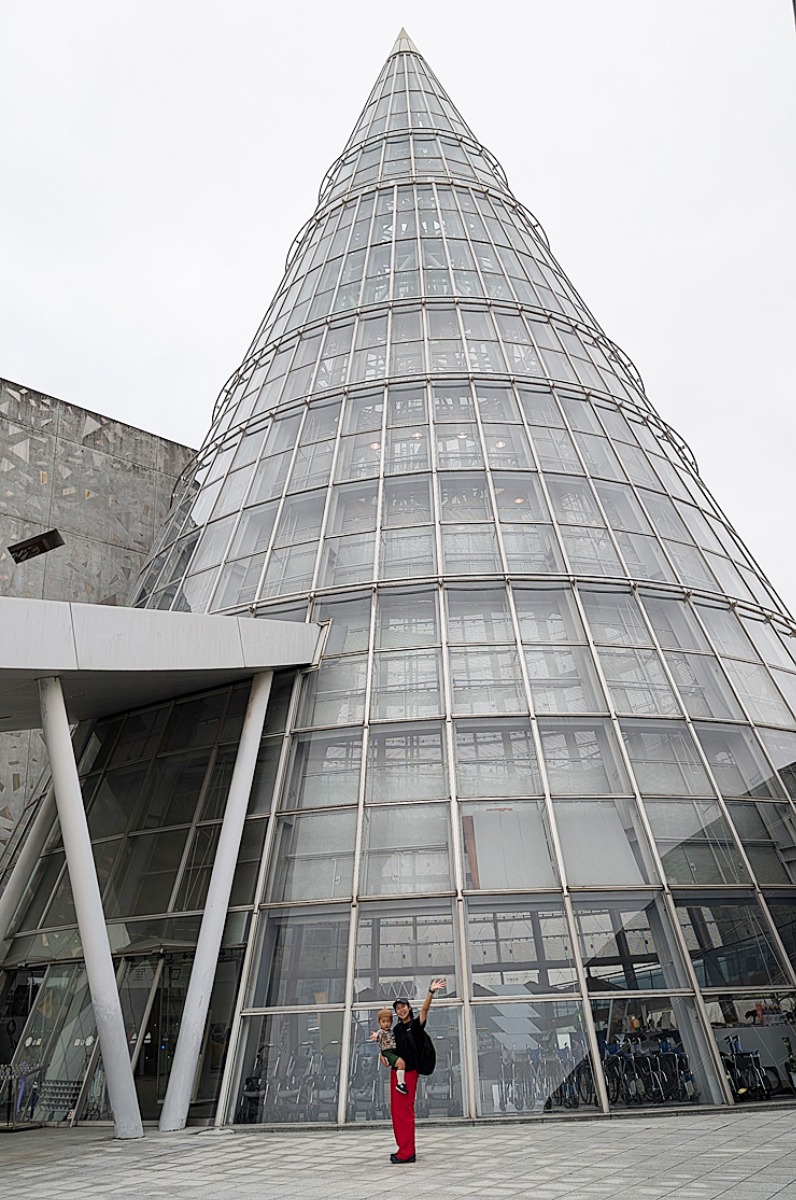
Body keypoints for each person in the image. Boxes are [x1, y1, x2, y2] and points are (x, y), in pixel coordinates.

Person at [382, 978, 446, 1164]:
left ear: (409, 1008)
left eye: (403, 1006)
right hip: (396, 1072)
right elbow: (389, 1048)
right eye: (398, 1008)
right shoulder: (397, 1029)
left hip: (409, 1073)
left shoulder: (415, 1026)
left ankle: (407, 1153)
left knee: (404, 1112)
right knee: (397, 1113)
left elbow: (424, 1010)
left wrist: (430, 992)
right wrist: (383, 1057)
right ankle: (403, 1148)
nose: (401, 1010)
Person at [370, 1007, 408, 1094]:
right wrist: (376, 1035)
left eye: (388, 1021)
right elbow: (378, 1035)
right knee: (401, 1063)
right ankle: (400, 1084)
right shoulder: (381, 1032)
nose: (386, 1024)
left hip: (394, 1050)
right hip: (387, 1052)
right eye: (383, 1022)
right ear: (379, 1022)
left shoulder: (391, 1032)